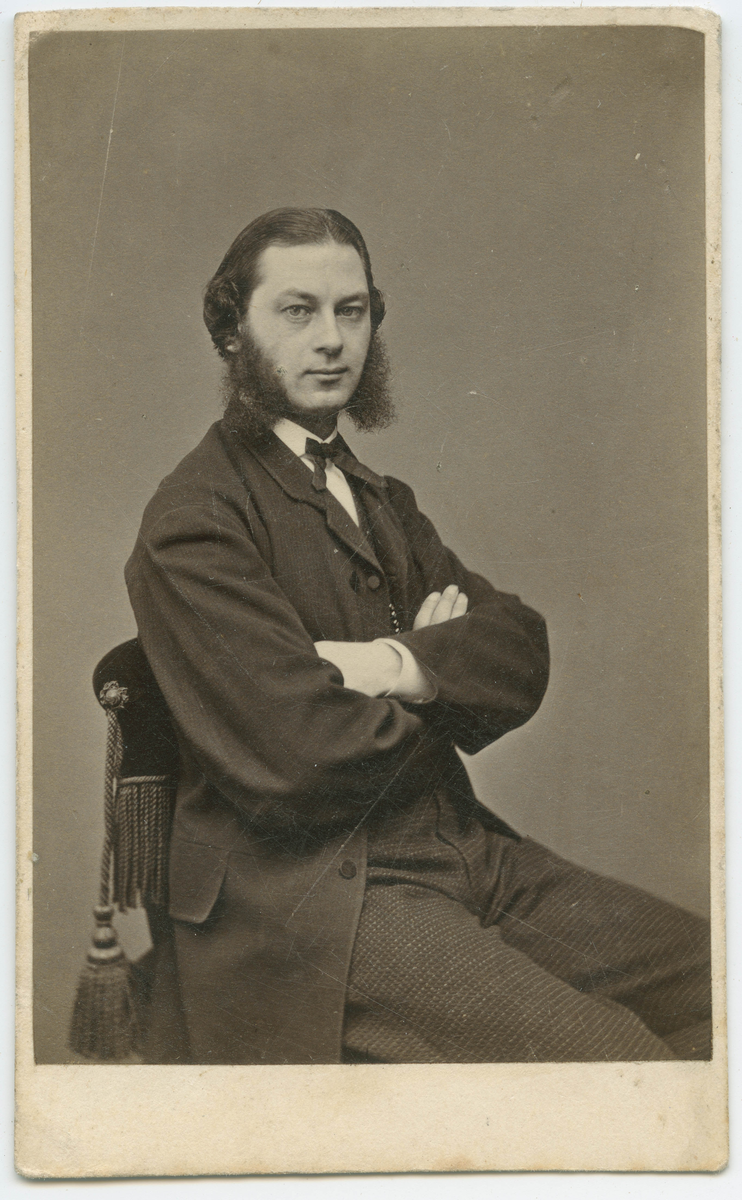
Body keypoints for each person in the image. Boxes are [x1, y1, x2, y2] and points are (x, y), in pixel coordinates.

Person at [125, 207, 711, 1065]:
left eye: (352, 310)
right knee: (619, 1062)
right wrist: (443, 681)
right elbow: (299, 756)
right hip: (312, 900)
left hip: (465, 853)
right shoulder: (195, 521)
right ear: (230, 330)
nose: (332, 339)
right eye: (298, 311)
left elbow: (518, 647)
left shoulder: (380, 499)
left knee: (714, 979)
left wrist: (387, 667)